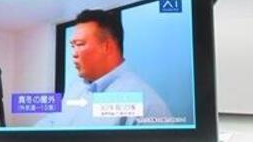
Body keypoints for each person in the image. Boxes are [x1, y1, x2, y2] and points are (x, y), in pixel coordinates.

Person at [37, 9, 172, 127]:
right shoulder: (75, 88)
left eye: (80, 44)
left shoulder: (147, 104)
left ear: (107, 47)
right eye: (73, 46)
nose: (74, 53)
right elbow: (52, 122)